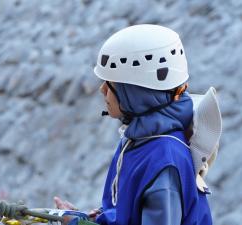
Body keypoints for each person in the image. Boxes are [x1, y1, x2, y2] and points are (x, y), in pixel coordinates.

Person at [54, 24, 221, 225]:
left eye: (111, 84)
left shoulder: (164, 162)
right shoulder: (140, 138)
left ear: (136, 93)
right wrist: (88, 218)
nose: (102, 90)